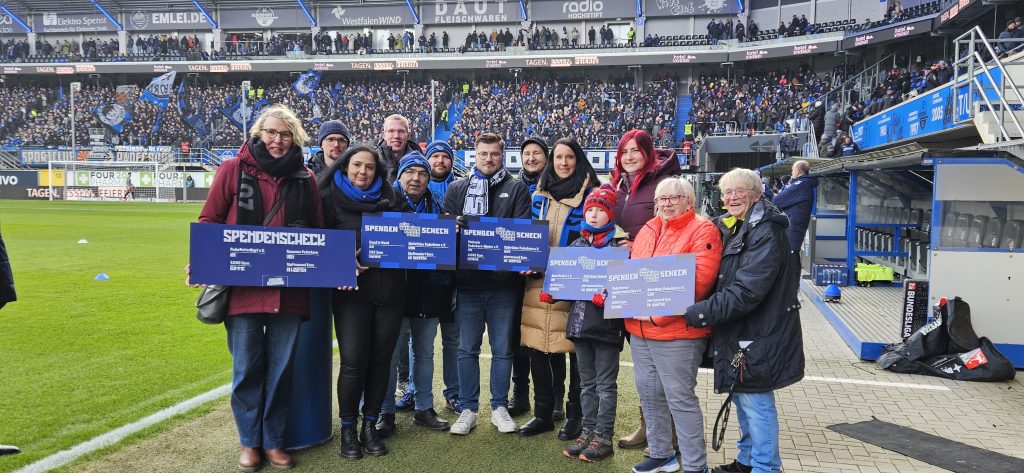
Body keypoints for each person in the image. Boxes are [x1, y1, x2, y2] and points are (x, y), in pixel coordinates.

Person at [195, 104, 324, 471]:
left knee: (281, 371)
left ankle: (273, 442)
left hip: (289, 291)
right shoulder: (233, 169)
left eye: (285, 134)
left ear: (294, 139)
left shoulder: (305, 178)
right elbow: (210, 220)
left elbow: (318, 232)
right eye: (271, 132)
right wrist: (202, 261)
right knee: (247, 370)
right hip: (243, 289)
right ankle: (249, 442)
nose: (277, 140)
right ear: (258, 134)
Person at [682, 168, 804, 473]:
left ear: (757, 194)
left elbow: (747, 291)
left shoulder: (766, 231)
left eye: (740, 191)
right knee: (743, 397)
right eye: (727, 192)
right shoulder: (731, 226)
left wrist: (696, 312)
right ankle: (748, 461)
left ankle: (766, 467)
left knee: (756, 402)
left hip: (758, 332)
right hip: (740, 330)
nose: (732, 197)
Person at [626, 177, 722, 473]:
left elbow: (698, 284)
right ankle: (661, 454)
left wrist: (658, 316)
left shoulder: (703, 229)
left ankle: (695, 465)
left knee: (680, 400)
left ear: (689, 201)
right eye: (661, 199)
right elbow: (634, 273)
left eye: (673, 198)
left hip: (678, 333)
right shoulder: (649, 228)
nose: (666, 203)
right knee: (650, 396)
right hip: (640, 330)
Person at [320, 145, 409, 459]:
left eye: (370, 167)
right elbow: (317, 243)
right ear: (345, 166)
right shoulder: (328, 197)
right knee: (354, 362)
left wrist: (448, 230)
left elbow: (416, 235)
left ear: (378, 171)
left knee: (381, 362)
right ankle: (348, 429)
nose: (363, 172)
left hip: (391, 294)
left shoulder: (393, 197)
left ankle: (369, 425)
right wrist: (340, 261)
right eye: (357, 165)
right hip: (351, 296)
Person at [442, 133, 532, 436]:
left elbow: (521, 232)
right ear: (475, 155)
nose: (488, 159)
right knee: (467, 349)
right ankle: (468, 409)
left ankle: (499, 407)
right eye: (483, 153)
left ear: (502, 156)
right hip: (467, 285)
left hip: (502, 286)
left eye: (494, 154)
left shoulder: (516, 188)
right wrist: (451, 227)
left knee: (503, 349)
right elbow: (445, 235)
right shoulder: (457, 188)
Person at [517, 138, 599, 440]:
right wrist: (524, 259)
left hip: (574, 285)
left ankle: (575, 415)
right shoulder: (537, 194)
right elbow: (524, 236)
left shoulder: (592, 195)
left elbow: (596, 240)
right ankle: (543, 414)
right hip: (537, 284)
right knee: (538, 347)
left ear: (579, 160)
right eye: (558, 158)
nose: (563, 163)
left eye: (569, 157)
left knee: (576, 352)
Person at [610, 129, 681, 450]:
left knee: (661, 365)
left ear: (648, 152)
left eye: (635, 150)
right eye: (624, 151)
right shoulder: (616, 185)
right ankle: (648, 425)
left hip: (655, 281)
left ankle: (672, 433)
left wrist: (636, 244)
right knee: (643, 365)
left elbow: (675, 230)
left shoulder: (665, 184)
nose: (629, 157)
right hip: (625, 282)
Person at [550, 185, 626, 462]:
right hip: (580, 327)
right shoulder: (576, 246)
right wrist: (553, 290)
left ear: (611, 214)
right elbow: (565, 279)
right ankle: (588, 431)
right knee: (586, 384)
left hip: (607, 328)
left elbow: (627, 287)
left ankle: (604, 437)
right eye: (589, 209)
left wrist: (610, 294)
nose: (593, 215)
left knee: (605, 385)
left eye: (600, 210)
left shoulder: (618, 247)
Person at [379, 152, 453, 432]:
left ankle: (423, 407)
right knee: (389, 353)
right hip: (394, 290)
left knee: (424, 352)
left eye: (422, 173)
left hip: (429, 289)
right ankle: (385, 412)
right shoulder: (385, 203)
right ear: (399, 176)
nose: (416, 178)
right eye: (410, 172)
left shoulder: (439, 206)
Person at [509, 136, 551, 417]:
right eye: (527, 153)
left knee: (547, 338)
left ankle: (553, 399)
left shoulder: (555, 186)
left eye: (537, 153)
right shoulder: (513, 186)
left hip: (545, 272)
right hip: (516, 273)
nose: (532, 158)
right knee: (517, 337)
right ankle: (520, 393)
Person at [423, 140, 462, 413]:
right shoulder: (417, 187)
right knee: (421, 342)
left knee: (452, 338)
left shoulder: (462, 187)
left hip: (454, 276)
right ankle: (416, 392)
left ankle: (454, 391)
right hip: (425, 278)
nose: (440, 161)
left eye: (444, 156)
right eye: (434, 156)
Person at [772, 160, 818, 291]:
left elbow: (777, 201)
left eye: (793, 169)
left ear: (798, 171)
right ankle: (789, 287)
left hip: (794, 225)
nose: (791, 172)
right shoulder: (797, 183)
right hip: (791, 224)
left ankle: (793, 289)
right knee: (787, 253)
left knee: (791, 252)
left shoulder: (801, 185)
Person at [376, 114, 421, 183]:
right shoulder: (373, 160)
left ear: (408, 135)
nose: (396, 136)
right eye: (391, 131)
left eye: (401, 131)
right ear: (384, 135)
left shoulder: (420, 162)